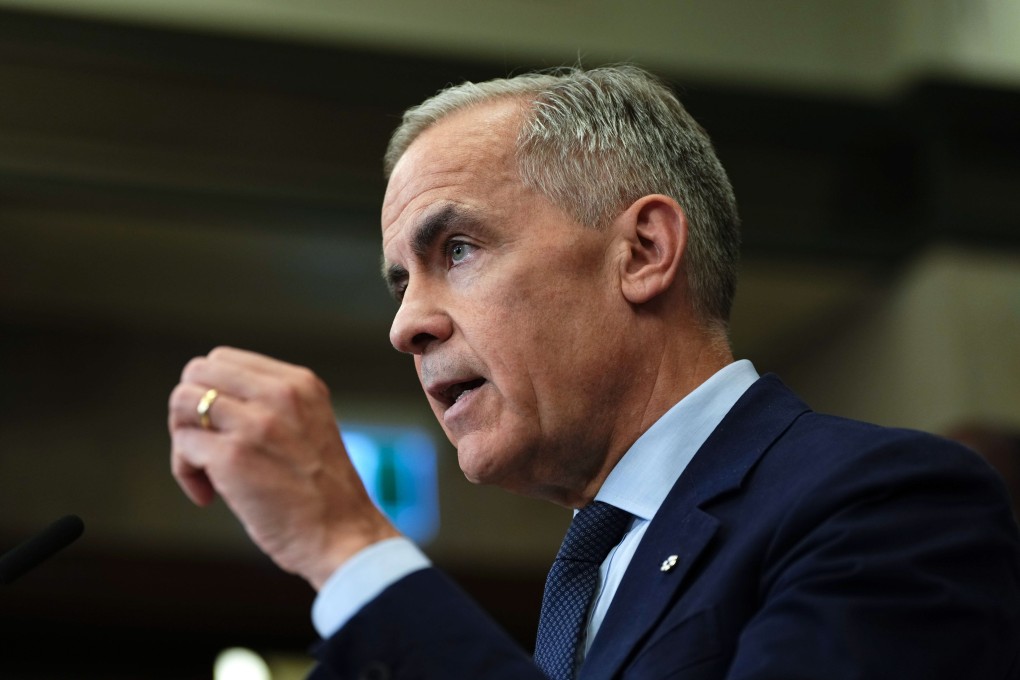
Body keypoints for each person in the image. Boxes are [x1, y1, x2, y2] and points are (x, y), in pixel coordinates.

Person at [169, 65, 1020, 679]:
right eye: (402, 281)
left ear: (643, 252)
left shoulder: (888, 503)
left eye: (456, 250)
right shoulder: (591, 577)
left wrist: (349, 550)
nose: (406, 325)